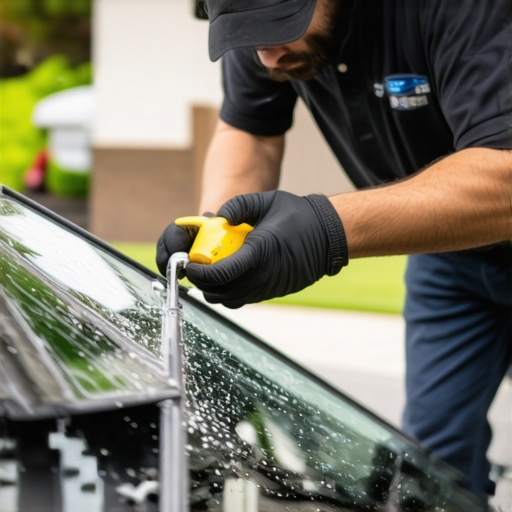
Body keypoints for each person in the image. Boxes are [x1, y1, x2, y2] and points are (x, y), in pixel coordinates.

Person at [156, 0, 512, 507]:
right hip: (450, 260)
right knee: (431, 470)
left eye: (281, 30)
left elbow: (505, 179)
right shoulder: (257, 22)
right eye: (251, 38)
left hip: (487, 210)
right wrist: (219, 235)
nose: (268, 58)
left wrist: (326, 229)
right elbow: (249, 131)